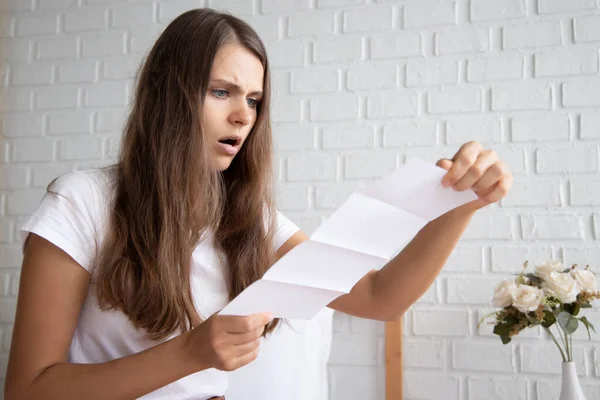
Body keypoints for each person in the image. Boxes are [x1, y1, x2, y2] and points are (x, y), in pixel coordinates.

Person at [3, 8, 513, 400]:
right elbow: (28, 390)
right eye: (221, 91)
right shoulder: (82, 202)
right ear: (169, 96)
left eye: (253, 100)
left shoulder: (251, 220)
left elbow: (379, 298)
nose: (242, 117)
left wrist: (460, 205)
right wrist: (190, 352)